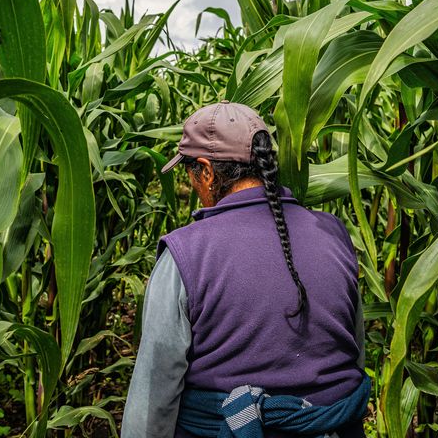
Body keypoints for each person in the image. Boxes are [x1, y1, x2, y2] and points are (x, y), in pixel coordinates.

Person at [121, 100, 368, 438]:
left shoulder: (184, 255)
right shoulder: (334, 233)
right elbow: (353, 353)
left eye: (190, 173)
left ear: (206, 172)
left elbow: (153, 399)